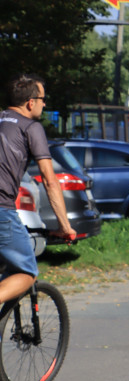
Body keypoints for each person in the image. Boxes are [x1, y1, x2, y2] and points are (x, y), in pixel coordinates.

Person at [0, 74, 75, 306]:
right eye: (43, 99)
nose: (44, 104)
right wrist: (65, 226)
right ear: (30, 102)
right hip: (1, 209)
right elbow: (50, 181)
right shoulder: (30, 127)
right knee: (26, 271)